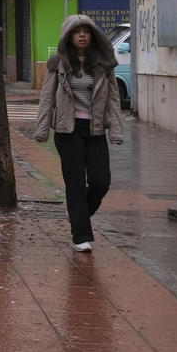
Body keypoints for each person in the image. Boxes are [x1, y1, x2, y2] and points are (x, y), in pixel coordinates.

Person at [33, 15, 124, 253]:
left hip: (95, 129)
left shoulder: (103, 64)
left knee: (101, 181)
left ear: (93, 35)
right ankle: (80, 236)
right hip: (67, 130)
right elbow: (46, 97)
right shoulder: (58, 63)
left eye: (86, 31)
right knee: (75, 182)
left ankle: (77, 213)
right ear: (68, 36)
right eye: (76, 31)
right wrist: (42, 129)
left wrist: (116, 130)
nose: (82, 35)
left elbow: (113, 98)